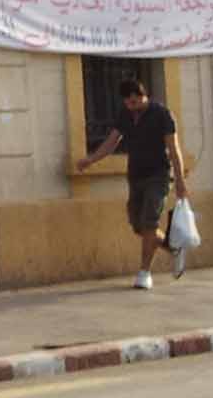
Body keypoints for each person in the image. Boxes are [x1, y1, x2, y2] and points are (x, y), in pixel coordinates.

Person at [76, 77, 189, 289]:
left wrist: (181, 182)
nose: (132, 107)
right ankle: (173, 247)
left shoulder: (162, 114)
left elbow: (174, 150)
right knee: (138, 226)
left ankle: (144, 273)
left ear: (144, 96)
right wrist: (90, 160)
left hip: (159, 175)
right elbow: (111, 142)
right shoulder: (125, 115)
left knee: (149, 222)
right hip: (136, 176)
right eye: (128, 104)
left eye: (135, 102)